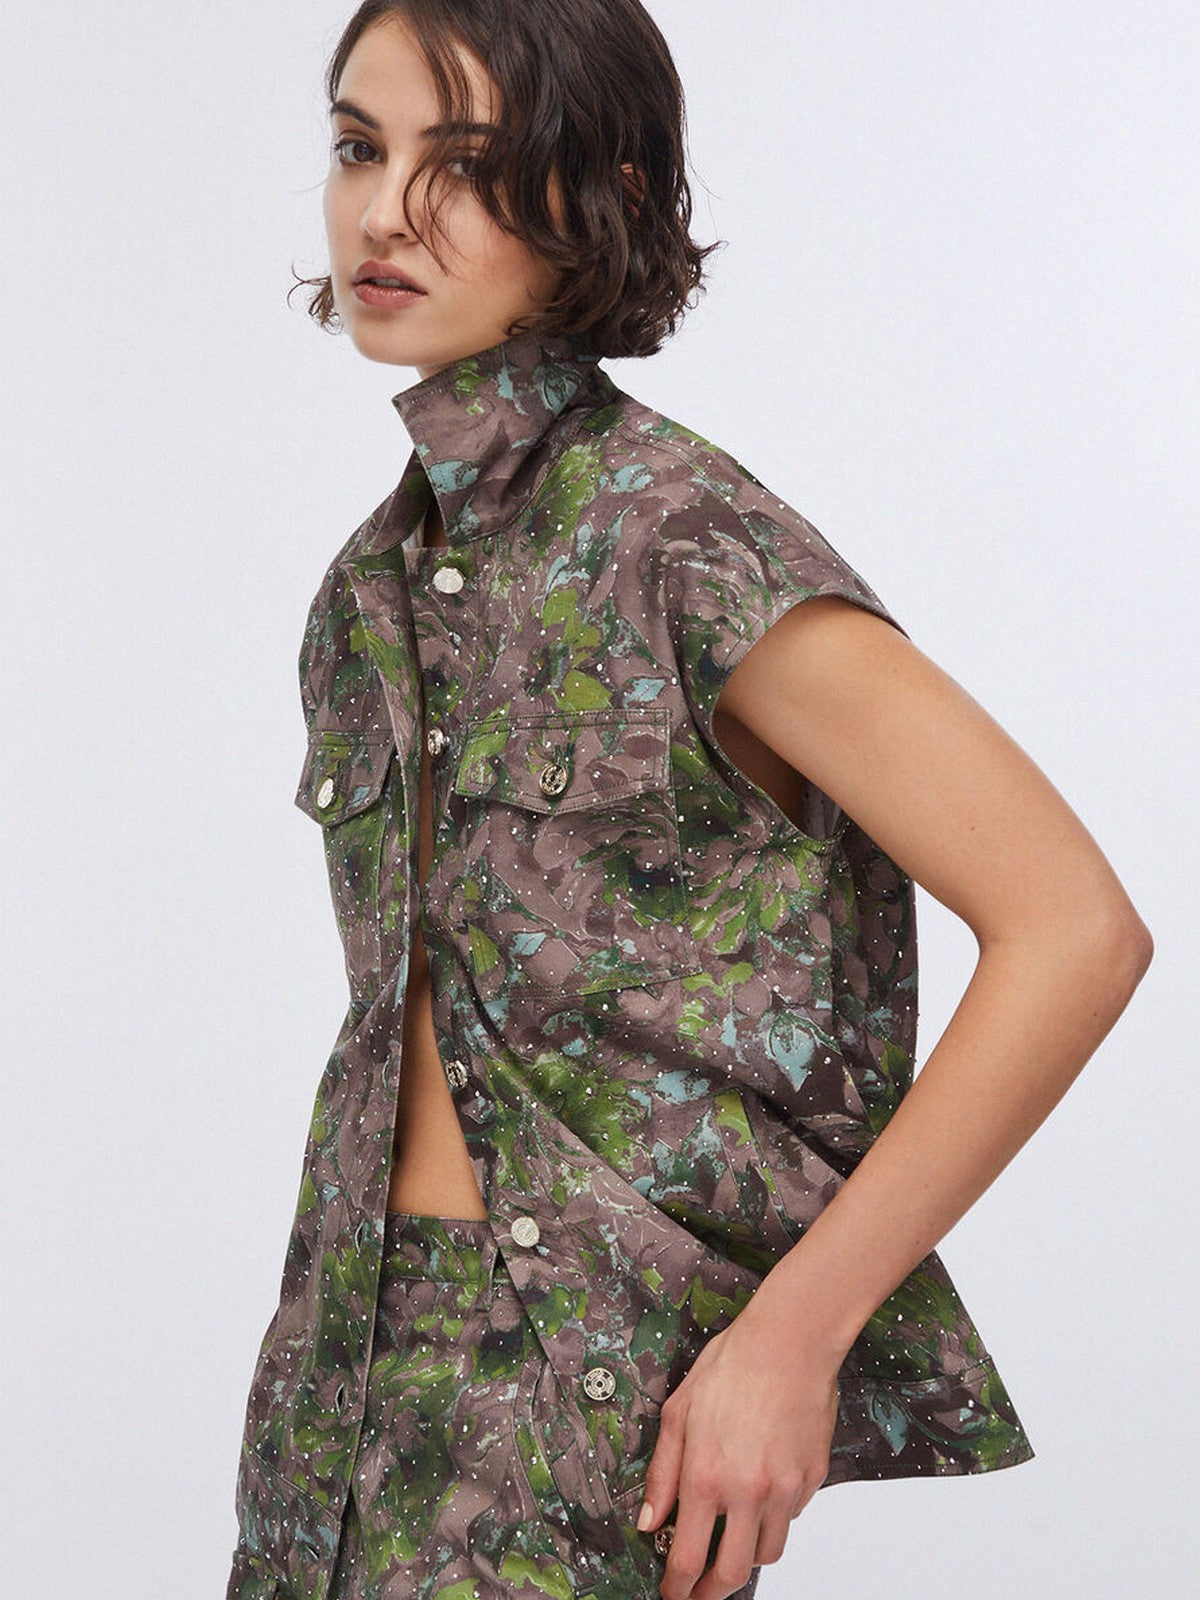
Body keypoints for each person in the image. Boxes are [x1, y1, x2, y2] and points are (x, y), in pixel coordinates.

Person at [223, 3, 1154, 1598]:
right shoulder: (367, 590)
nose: (384, 212)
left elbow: (1074, 930)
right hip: (336, 1378)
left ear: (605, 196)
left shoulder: (687, 544)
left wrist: (795, 1337)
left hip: (582, 1398)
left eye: (467, 164)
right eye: (361, 147)